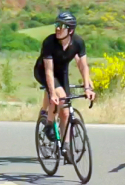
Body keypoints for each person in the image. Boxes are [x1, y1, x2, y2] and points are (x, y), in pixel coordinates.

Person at [34, 11, 96, 155]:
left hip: (61, 72)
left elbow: (83, 65)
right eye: (56, 24)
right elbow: (49, 71)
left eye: (62, 26)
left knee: (66, 111)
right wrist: (52, 92)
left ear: (71, 30)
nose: (57, 28)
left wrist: (87, 87)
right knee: (59, 97)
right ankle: (49, 124)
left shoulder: (78, 42)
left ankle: (66, 146)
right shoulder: (49, 42)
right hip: (43, 71)